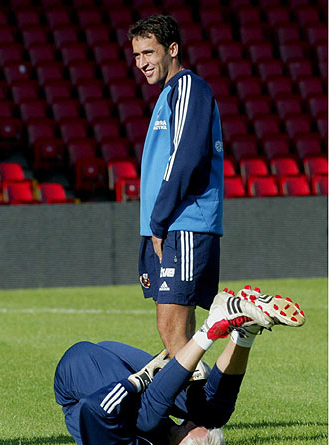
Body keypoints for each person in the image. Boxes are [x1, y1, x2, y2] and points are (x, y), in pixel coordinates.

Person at [54, 285, 305, 445]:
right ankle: (244, 332)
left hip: (77, 371)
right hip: (119, 367)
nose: (190, 423)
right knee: (212, 414)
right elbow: (198, 420)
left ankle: (210, 330)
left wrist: (138, 382)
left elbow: (94, 410)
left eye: (191, 430)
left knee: (147, 419)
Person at [127, 14, 224, 356]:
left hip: (182, 226)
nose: (142, 63)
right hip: (170, 227)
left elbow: (183, 159)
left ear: (172, 49)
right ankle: (196, 410)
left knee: (172, 332)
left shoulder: (186, 88)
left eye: (149, 53)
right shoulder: (169, 93)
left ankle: (205, 409)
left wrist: (158, 222)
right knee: (176, 334)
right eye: (137, 55)